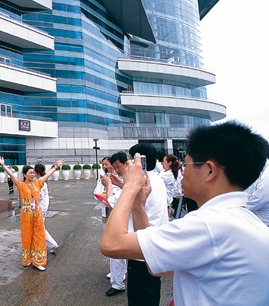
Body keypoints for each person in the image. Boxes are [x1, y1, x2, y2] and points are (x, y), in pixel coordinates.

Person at [100, 121, 269, 306]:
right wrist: (138, 205)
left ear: (210, 170)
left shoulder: (208, 225)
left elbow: (111, 244)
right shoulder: (241, 219)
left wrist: (129, 187)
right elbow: (155, 267)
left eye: (186, 165)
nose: (182, 173)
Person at [0, 156, 64, 271]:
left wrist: (55, 167)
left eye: (33, 173)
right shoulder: (21, 185)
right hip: (26, 213)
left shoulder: (37, 183)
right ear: (24, 174)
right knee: (27, 236)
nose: (33, 175)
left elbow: (47, 176)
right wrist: (3, 165)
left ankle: (38, 261)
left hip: (37, 212)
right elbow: (12, 175)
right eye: (30, 173)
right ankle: (27, 259)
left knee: (39, 235)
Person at [125, 143, 169, 306]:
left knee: (139, 297)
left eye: (131, 159)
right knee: (151, 292)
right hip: (156, 243)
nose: (128, 163)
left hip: (142, 247)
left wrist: (112, 187)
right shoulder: (157, 179)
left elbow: (117, 206)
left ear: (140, 161)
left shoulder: (141, 183)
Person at [100, 153, 127, 297]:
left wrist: (110, 186)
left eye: (109, 164)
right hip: (110, 215)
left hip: (120, 216)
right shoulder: (105, 178)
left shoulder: (123, 177)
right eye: (103, 165)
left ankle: (118, 282)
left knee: (116, 249)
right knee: (117, 251)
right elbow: (98, 193)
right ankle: (118, 278)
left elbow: (113, 201)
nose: (106, 167)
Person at [34, 163, 59, 254]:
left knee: (40, 228)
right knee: (41, 227)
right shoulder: (43, 181)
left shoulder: (40, 181)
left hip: (40, 207)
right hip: (43, 207)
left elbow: (38, 196)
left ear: (37, 172)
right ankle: (51, 244)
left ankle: (52, 244)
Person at [245, 159, 269, 226]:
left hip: (261, 224)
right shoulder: (254, 166)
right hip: (249, 220)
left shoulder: (267, 170)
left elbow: (258, 198)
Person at [159, 154, 181, 219]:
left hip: (166, 200)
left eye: (164, 161)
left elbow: (158, 178)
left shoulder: (169, 175)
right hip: (167, 200)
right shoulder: (166, 172)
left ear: (169, 163)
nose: (162, 163)